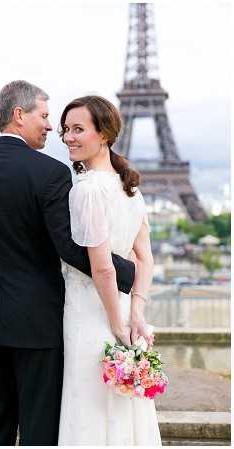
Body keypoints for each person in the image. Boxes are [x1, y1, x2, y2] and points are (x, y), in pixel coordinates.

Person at [0, 80, 136, 445]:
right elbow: (68, 246)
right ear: (19, 115)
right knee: (39, 426)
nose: (51, 127)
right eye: (45, 116)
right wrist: (128, 271)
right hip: (39, 320)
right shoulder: (49, 172)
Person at [58, 95, 160, 445]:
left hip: (91, 313)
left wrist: (117, 324)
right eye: (65, 129)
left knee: (88, 406)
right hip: (121, 311)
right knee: (122, 410)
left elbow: (101, 269)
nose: (68, 137)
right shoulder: (129, 186)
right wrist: (136, 316)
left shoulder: (86, 190)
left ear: (103, 135)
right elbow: (145, 259)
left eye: (78, 129)